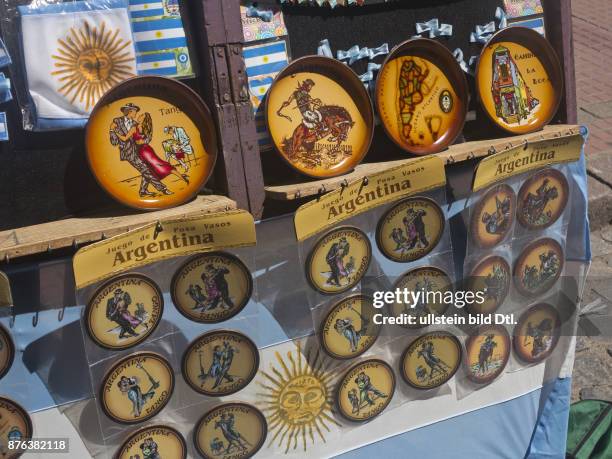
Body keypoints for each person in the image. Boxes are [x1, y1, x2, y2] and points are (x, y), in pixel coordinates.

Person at [109, 103, 170, 198]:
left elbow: (144, 136)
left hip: (139, 151)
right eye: (135, 112)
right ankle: (163, 188)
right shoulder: (117, 121)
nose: (136, 114)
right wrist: (112, 132)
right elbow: (114, 141)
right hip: (128, 152)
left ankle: (143, 191)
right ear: (129, 111)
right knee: (146, 170)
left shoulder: (135, 124)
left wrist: (143, 141)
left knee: (146, 170)